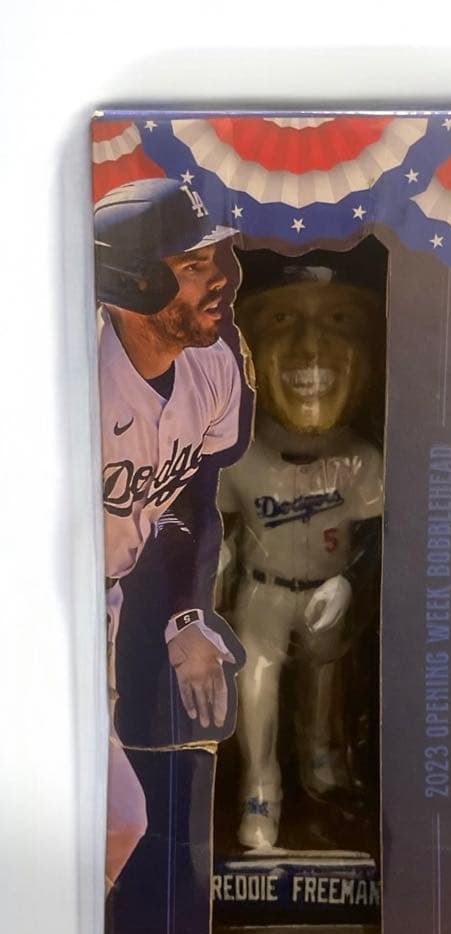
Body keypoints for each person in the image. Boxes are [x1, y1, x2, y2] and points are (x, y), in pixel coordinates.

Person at [94, 177, 252, 887]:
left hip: (102, 603)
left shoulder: (213, 366)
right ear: (134, 280)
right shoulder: (71, 378)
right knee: (104, 814)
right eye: (193, 265)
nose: (220, 279)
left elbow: (191, 488)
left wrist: (184, 618)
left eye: (217, 258)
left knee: (118, 819)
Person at [218, 253, 384, 849]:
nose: (311, 348)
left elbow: (385, 536)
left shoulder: (361, 458)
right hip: (263, 591)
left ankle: (323, 771)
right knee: (256, 687)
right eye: (282, 320)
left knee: (326, 690)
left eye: (339, 321)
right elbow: (216, 527)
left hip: (326, 591)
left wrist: (349, 581)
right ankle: (260, 795)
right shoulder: (240, 454)